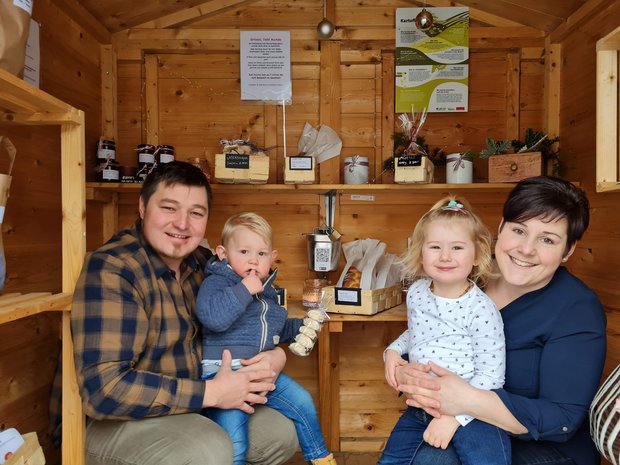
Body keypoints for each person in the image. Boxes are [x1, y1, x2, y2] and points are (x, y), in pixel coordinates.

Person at [70, 161, 299, 465]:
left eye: (196, 213)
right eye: (169, 208)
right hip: (121, 419)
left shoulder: (207, 263)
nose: (182, 224)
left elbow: (252, 320)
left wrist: (276, 355)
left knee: (279, 433)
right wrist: (212, 393)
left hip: (195, 403)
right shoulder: (114, 268)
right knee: (208, 452)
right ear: (143, 207)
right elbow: (105, 390)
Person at [394, 176, 607, 465]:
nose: (526, 249)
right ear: (501, 227)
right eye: (519, 230)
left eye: (547, 239)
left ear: (568, 250)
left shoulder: (577, 309)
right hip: (461, 424)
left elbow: (562, 419)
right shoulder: (467, 275)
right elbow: (433, 337)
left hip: (540, 448)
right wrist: (402, 368)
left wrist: (466, 401)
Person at [196, 211, 337, 465]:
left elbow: (274, 328)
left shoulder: (267, 290)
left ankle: (320, 458)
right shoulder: (217, 282)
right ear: (223, 253)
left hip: (261, 373)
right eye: (244, 252)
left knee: (303, 402)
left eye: (261, 254)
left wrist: (304, 326)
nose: (253, 260)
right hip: (225, 375)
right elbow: (213, 318)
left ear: (272, 257)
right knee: (235, 440)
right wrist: (244, 290)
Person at [379, 196, 510, 465]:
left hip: (474, 414)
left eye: (457, 247)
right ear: (421, 253)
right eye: (435, 247)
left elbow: (492, 376)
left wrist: (454, 419)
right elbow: (417, 333)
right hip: (421, 408)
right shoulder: (417, 292)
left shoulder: (481, 310)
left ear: (478, 255)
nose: (445, 256)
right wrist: (392, 352)